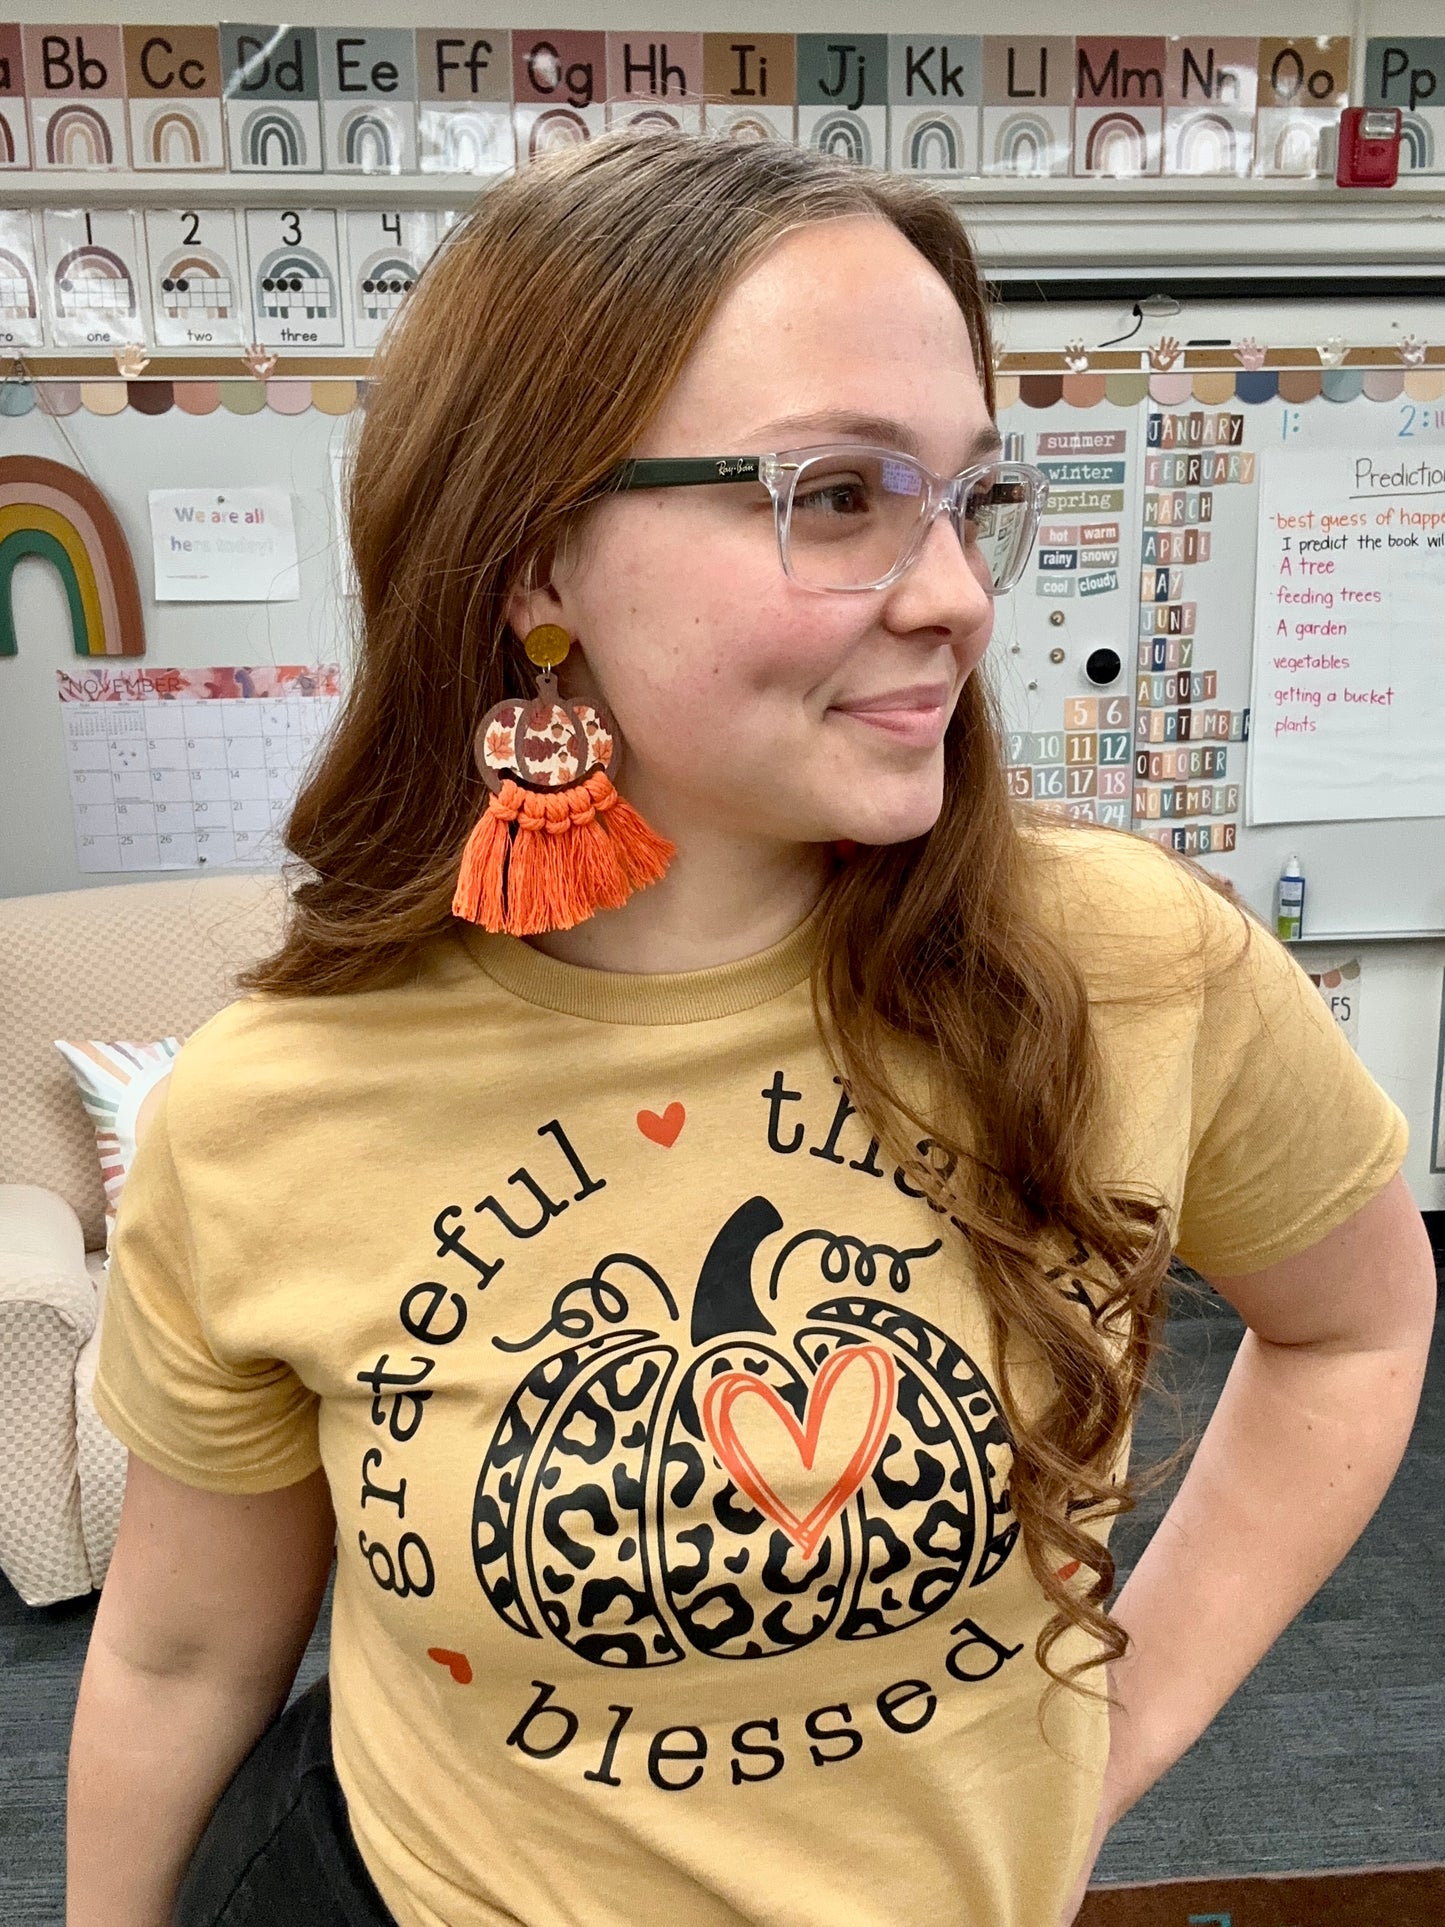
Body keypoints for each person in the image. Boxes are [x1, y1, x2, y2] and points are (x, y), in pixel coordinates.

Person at [68, 132, 1434, 1927]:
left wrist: (1131, 1719)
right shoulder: (270, 1109)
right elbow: (177, 1663)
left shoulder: (1126, 966)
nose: (955, 594)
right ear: (537, 561)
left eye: (963, 498)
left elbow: (1352, 1329)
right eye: (840, 494)